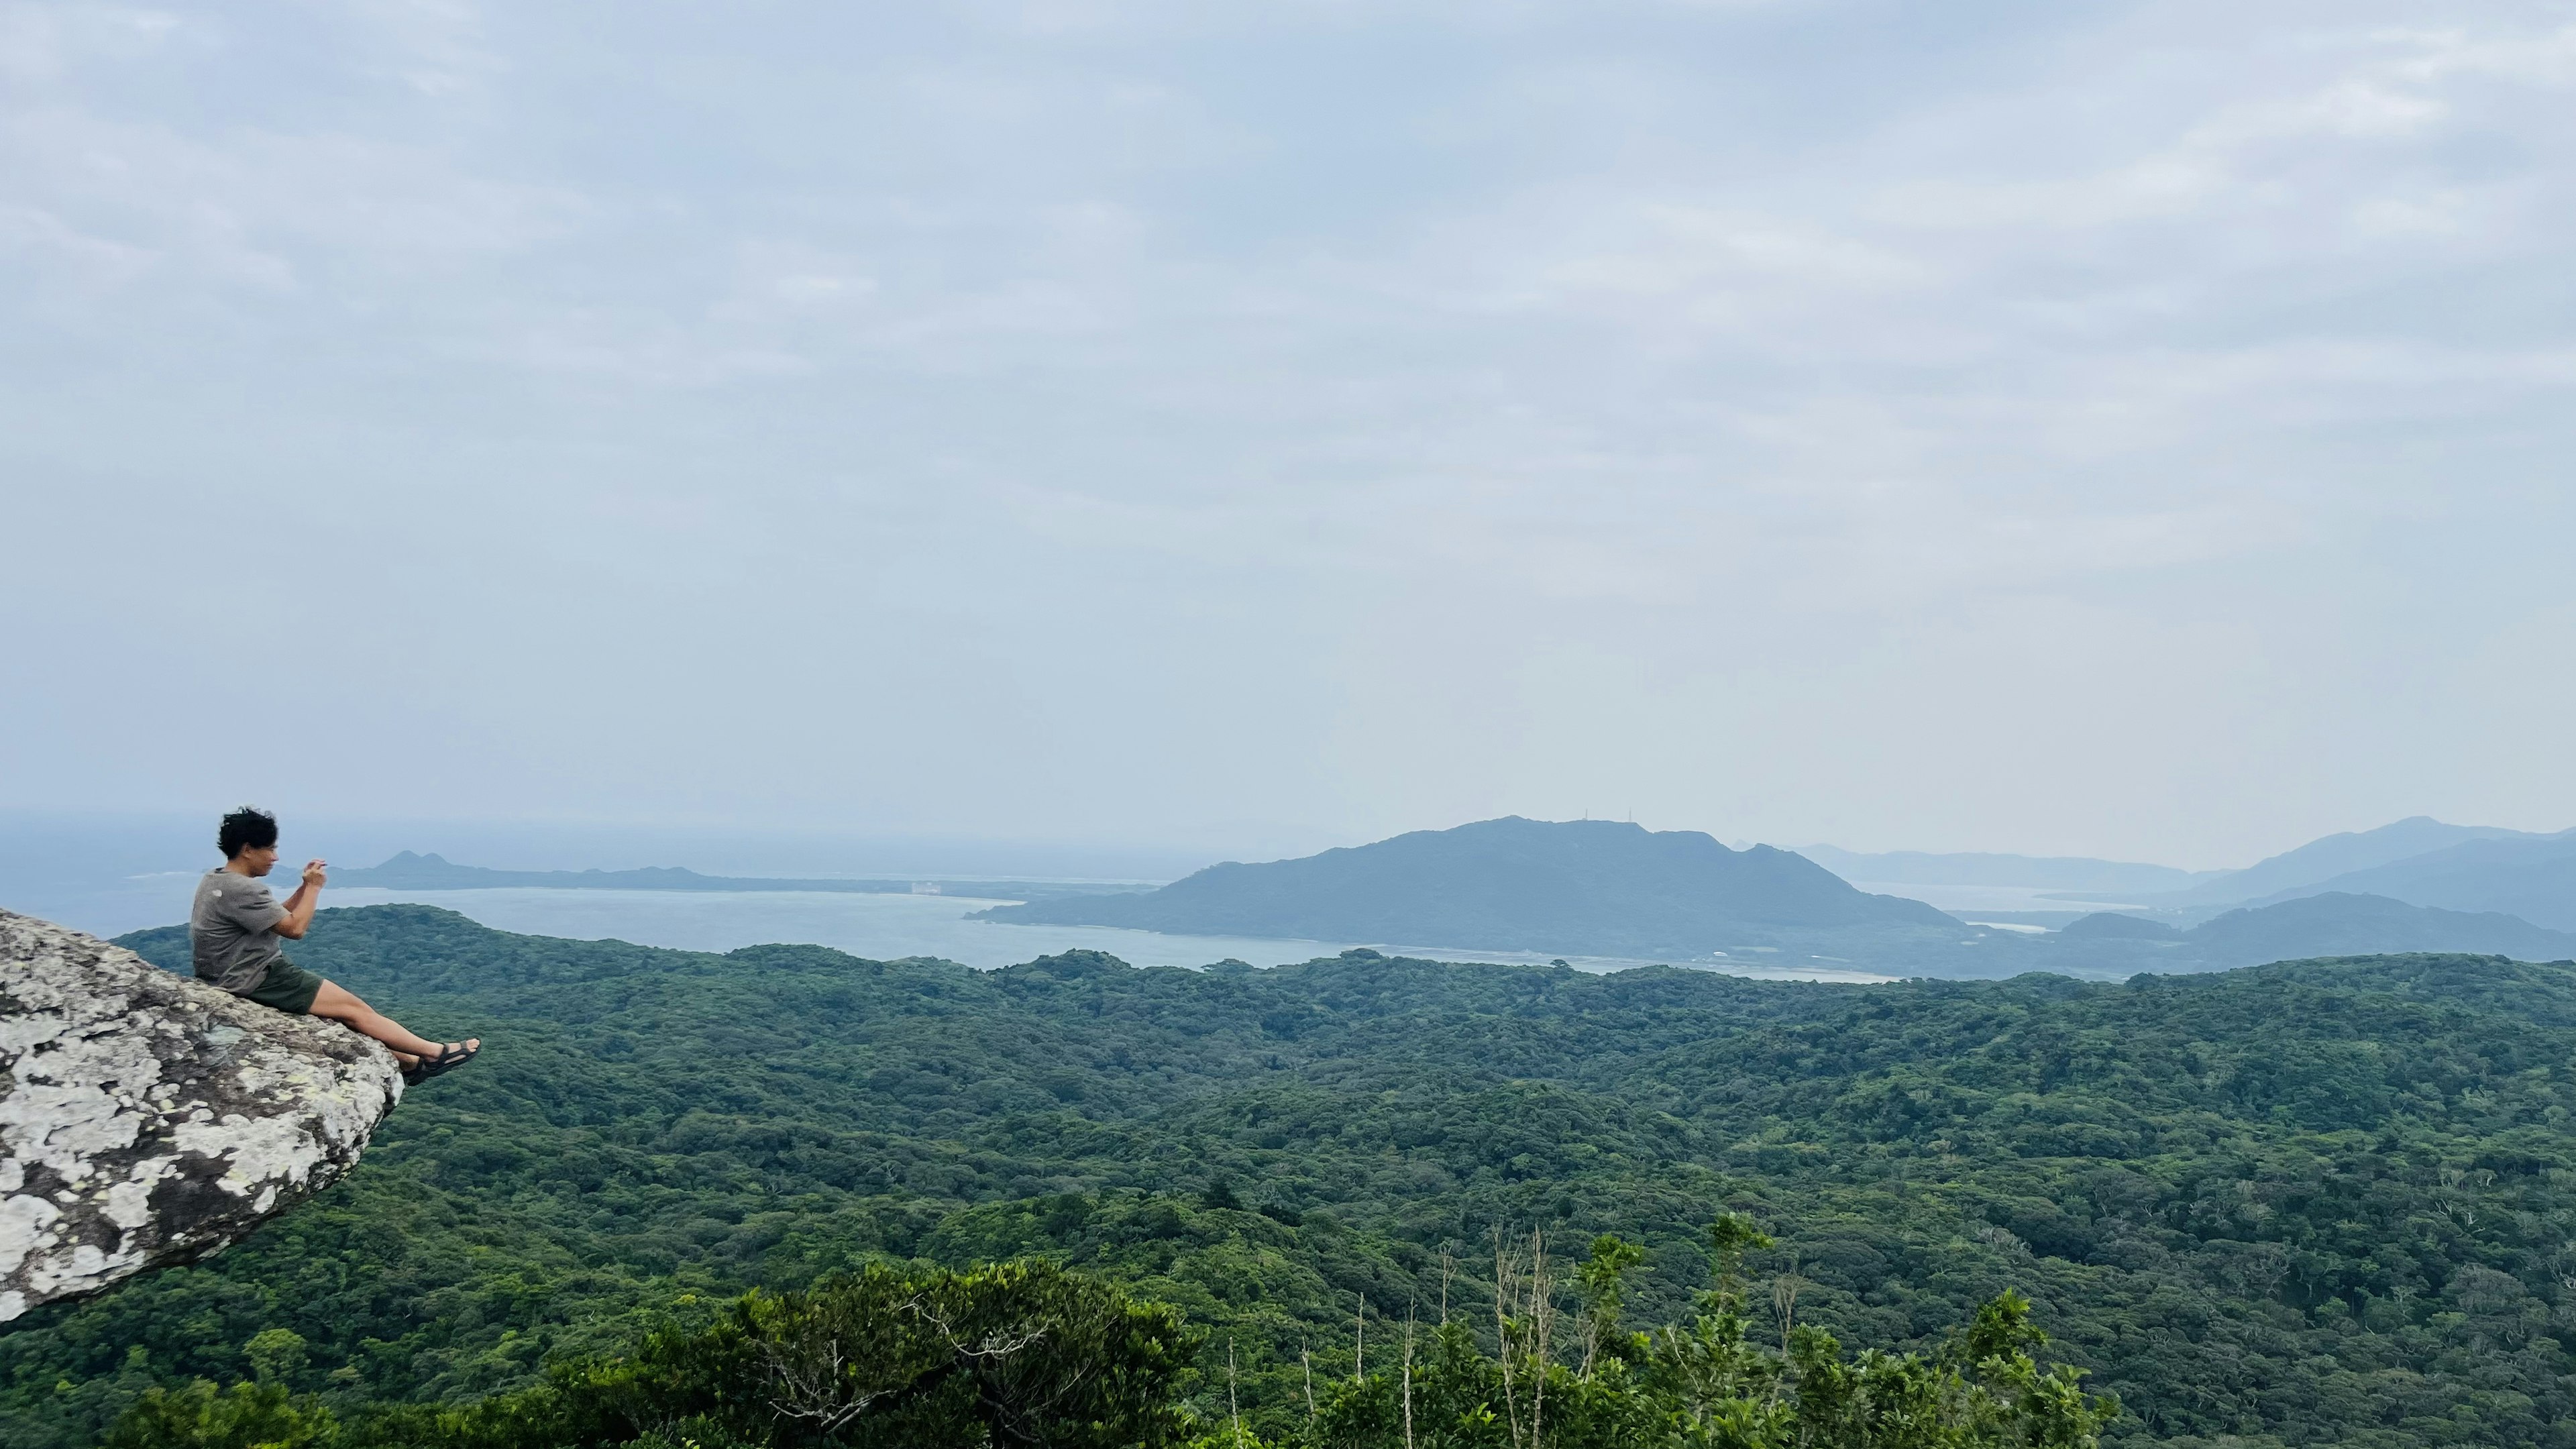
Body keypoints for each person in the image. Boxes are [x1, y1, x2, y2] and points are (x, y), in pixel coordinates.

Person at [192, 806, 479, 1083]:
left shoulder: (216, 879)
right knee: (355, 1010)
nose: (275, 857)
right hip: (256, 976)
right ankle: (434, 1054)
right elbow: (295, 928)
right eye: (270, 849)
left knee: (341, 1013)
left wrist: (304, 887)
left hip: (226, 974)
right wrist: (316, 888)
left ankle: (408, 1061)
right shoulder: (245, 887)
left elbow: (275, 918)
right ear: (247, 849)